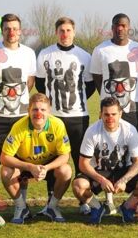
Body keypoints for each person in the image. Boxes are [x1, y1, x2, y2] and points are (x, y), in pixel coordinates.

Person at [36, 17, 95, 215]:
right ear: (56, 32)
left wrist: (75, 101)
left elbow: (90, 85)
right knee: (53, 159)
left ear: (74, 32)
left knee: (81, 158)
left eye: (68, 30)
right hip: (53, 118)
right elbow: (40, 85)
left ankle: (84, 201)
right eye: (61, 30)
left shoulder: (84, 56)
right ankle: (51, 200)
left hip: (78, 116)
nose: (65, 34)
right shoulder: (45, 54)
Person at [90, 13, 138, 212]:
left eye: (123, 25)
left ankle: (134, 201)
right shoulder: (101, 50)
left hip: (133, 109)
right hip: (109, 111)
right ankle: (109, 200)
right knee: (105, 153)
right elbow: (97, 77)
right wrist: (109, 100)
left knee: (134, 155)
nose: (120, 28)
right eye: (116, 25)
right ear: (112, 27)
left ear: (128, 27)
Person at [72, 97, 138, 224]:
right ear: (100, 114)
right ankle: (98, 208)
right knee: (78, 186)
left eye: (114, 114)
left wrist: (124, 179)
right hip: (99, 171)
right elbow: (83, 164)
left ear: (120, 114)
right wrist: (101, 180)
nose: (110, 118)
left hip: (123, 170)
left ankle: (127, 208)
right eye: (106, 114)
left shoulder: (130, 130)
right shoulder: (92, 131)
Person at [0, 93, 72, 224]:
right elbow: (4, 157)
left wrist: (47, 168)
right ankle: (21, 208)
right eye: (35, 109)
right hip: (25, 165)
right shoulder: (19, 126)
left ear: (49, 111)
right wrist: (30, 167)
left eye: (43, 109)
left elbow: (65, 155)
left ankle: (53, 207)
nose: (39, 113)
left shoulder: (57, 124)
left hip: (48, 165)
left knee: (66, 171)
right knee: (5, 171)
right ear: (28, 110)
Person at [0, 13, 36, 211]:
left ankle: (22, 203)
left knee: (21, 162)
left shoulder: (28, 53)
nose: (11, 32)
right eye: (7, 28)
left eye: (15, 28)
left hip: (20, 116)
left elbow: (30, 81)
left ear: (20, 31)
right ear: (2, 30)